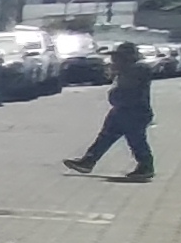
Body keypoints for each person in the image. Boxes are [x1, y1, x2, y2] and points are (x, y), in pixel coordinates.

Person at [65, 42, 155, 181]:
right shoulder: (129, 70)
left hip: (134, 112)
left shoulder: (136, 70)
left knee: (136, 140)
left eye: (117, 58)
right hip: (123, 111)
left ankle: (146, 167)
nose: (114, 61)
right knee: (106, 136)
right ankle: (88, 161)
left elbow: (125, 92)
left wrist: (115, 89)